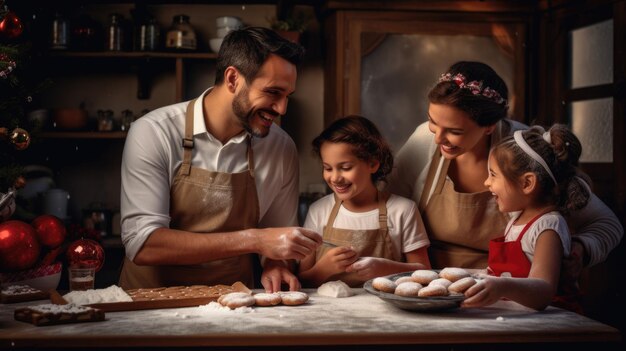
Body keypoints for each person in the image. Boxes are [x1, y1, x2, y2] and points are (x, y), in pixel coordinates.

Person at [118, 27, 322, 292]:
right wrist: (254, 239)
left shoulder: (280, 148)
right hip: (149, 306)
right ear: (232, 79)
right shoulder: (154, 132)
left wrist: (276, 263)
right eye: (273, 92)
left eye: (287, 97)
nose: (282, 109)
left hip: (234, 308)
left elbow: (277, 237)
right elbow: (143, 244)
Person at [389, 61, 622, 284]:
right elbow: (385, 207)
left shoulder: (525, 151)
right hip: (429, 283)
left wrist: (581, 249)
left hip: (508, 289)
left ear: (490, 125)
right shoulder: (425, 140)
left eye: (455, 131)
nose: (438, 137)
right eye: (432, 122)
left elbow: (607, 223)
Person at [462, 125, 589, 310]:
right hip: (518, 313)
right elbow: (504, 273)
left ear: (527, 183)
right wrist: (466, 274)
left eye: (493, 175)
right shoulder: (517, 219)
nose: (486, 182)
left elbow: (543, 290)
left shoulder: (548, 226)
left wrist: (501, 286)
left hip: (553, 322)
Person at [299, 116, 431, 287]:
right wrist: (324, 269)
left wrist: (386, 269)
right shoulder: (319, 210)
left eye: (345, 168)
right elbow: (301, 281)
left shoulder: (403, 210)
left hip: (386, 311)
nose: (335, 178)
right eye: (327, 168)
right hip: (329, 311)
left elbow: (425, 273)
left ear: (373, 164)